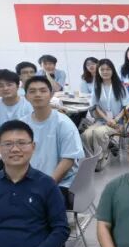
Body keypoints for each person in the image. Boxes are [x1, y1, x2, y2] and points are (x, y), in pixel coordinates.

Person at [22, 76, 84, 206]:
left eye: (43, 90)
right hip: (29, 182)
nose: (37, 94)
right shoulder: (22, 124)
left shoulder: (63, 123)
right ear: (26, 96)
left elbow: (68, 160)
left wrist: (46, 186)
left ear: (51, 95)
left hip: (59, 183)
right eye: (32, 91)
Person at [81, 58, 129, 171]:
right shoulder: (96, 86)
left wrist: (115, 119)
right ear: (98, 71)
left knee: (99, 133)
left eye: (108, 69)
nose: (105, 72)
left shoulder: (120, 86)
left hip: (118, 122)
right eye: (102, 69)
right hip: (102, 121)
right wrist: (107, 119)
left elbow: (126, 107)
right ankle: (95, 158)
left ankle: (102, 157)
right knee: (86, 135)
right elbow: (96, 106)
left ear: (113, 70)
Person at [0, 68, 33, 146]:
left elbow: (33, 134)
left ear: (17, 86)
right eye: (0, 86)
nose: (5, 88)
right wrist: (9, 145)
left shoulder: (29, 105)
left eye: (9, 85)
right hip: (0, 147)